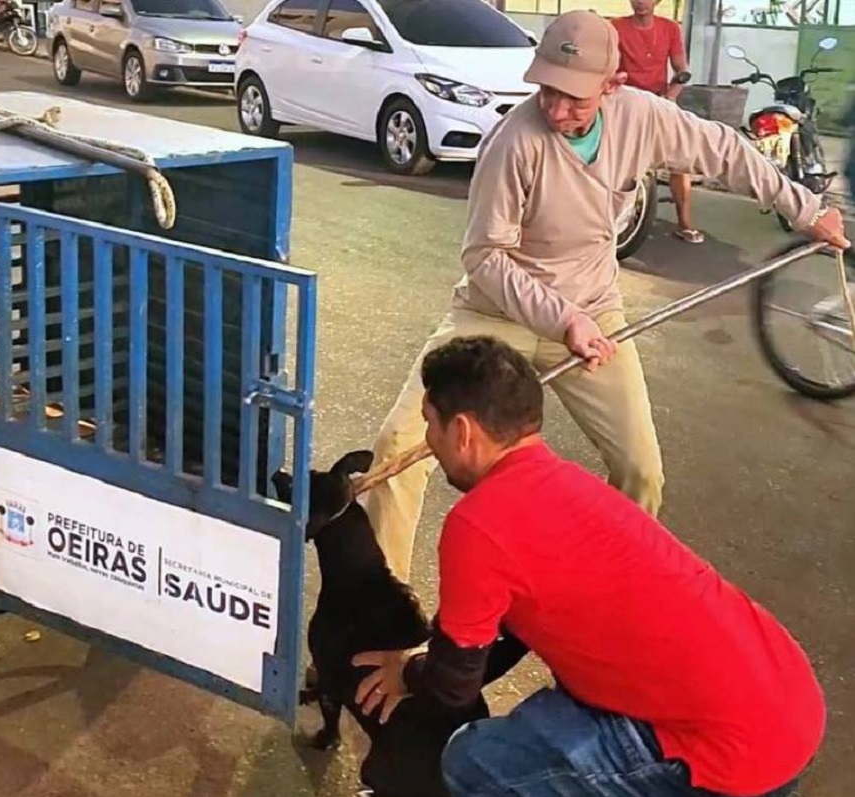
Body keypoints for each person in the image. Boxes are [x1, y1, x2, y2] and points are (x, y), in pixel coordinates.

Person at [364, 10, 850, 583]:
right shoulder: (514, 141)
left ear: (613, 84)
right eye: (547, 91)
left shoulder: (641, 117)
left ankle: (604, 592)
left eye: (574, 98)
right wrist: (562, 318)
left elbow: (724, 149)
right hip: (496, 312)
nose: (556, 110)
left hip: (593, 310)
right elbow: (485, 257)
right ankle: (384, 613)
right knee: (397, 449)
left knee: (641, 472)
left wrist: (807, 210)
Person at [353, 335, 827, 797]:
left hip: (727, 764)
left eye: (430, 423)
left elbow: (452, 685)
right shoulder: (570, 485)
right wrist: (431, 659)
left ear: (462, 431)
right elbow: (502, 633)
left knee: (475, 766)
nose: (428, 441)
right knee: (552, 718)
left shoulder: (479, 524)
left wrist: (411, 674)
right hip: (787, 705)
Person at [611, 0, 703, 244]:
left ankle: (684, 222)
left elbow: (681, 69)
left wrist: (671, 96)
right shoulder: (616, 27)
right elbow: (608, 65)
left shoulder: (669, 28)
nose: (641, 1)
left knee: (680, 159)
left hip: (660, 100)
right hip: (625, 101)